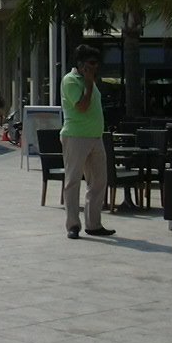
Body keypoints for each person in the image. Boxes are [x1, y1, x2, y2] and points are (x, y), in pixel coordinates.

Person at [60, 44, 115, 240]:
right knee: (73, 181)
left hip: (95, 137)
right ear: (81, 64)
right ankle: (73, 225)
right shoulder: (71, 80)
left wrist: (91, 82)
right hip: (76, 136)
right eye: (91, 63)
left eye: (97, 64)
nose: (95, 67)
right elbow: (82, 107)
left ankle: (94, 223)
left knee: (99, 181)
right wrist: (89, 83)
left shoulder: (90, 81)